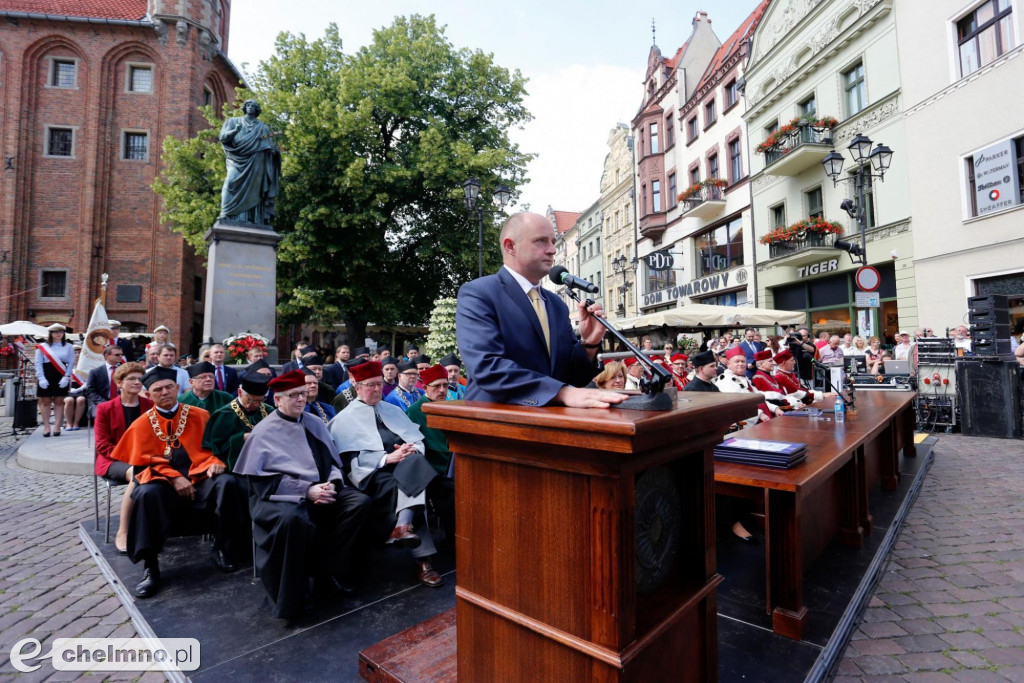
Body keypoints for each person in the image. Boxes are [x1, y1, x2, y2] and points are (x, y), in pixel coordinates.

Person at [234, 371, 371, 621]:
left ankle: (328, 573)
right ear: (277, 400)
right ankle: (293, 597)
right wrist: (305, 491)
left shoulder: (314, 422)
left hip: (320, 489)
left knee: (358, 503)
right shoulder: (263, 432)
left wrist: (332, 483)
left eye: (302, 394)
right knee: (293, 520)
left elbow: (330, 460)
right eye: (293, 395)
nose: (300, 399)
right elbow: (262, 484)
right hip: (277, 498)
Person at [456, 212, 624, 409]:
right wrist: (562, 392)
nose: (552, 250)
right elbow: (487, 367)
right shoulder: (479, 293)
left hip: (550, 426)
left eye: (553, 241)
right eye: (541, 241)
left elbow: (572, 376)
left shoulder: (556, 304)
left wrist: (589, 344)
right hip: (497, 425)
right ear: (511, 246)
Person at [110, 366, 249, 598]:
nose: (164, 392)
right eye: (157, 390)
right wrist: (174, 478)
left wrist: (216, 462)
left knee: (228, 483)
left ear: (177, 388)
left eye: (168, 387)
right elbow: (142, 465)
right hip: (163, 483)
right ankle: (151, 567)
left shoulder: (200, 415)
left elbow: (215, 447)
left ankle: (223, 547)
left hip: (200, 476)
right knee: (146, 494)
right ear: (148, 394)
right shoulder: (141, 425)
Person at [328, 362, 450, 588]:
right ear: (357, 386)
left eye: (379, 384)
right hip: (373, 476)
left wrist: (411, 449)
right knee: (413, 484)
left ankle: (403, 528)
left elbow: (416, 440)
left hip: (406, 466)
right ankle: (422, 559)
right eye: (370, 385)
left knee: (415, 464)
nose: (376, 389)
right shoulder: (343, 420)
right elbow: (348, 463)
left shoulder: (393, 411)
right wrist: (386, 459)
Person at [95, 362, 152, 553]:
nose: (137, 382)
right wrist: (130, 456)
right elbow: (102, 445)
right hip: (112, 460)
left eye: (140, 379)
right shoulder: (105, 408)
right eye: (132, 379)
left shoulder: (150, 406)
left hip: (143, 458)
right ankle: (124, 531)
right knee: (139, 473)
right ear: (119, 383)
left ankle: (152, 526)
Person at [219, 99, 281, 225]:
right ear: (244, 107)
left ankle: (253, 219)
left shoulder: (262, 127)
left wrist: (274, 152)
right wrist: (235, 131)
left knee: (255, 190)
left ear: (257, 109)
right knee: (231, 182)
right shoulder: (233, 121)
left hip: (257, 161)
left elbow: (267, 146)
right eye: (248, 105)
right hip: (236, 159)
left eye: (253, 105)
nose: (250, 107)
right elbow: (222, 138)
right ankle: (226, 213)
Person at [203, 373, 273, 471]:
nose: (256, 405)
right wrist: (241, 438)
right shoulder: (223, 414)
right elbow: (215, 447)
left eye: (260, 400)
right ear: (240, 392)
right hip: (234, 468)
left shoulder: (269, 411)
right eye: (251, 400)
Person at [405, 365, 456, 478]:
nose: (442, 390)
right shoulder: (414, 412)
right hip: (432, 471)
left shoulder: (451, 408)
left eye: (445, 385)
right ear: (425, 387)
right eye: (437, 386)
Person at [34, 324, 76, 437]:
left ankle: (57, 426)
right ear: (50, 334)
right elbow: (38, 363)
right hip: (46, 374)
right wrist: (41, 377)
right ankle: (47, 426)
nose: (59, 334)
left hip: (60, 374)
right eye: (56, 332)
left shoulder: (68, 346)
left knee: (59, 401)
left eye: (61, 331)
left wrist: (67, 377)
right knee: (45, 401)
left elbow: (71, 362)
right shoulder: (42, 346)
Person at [84, 345, 125, 418]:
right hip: (101, 402)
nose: (120, 356)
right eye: (117, 355)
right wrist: (104, 403)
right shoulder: (95, 372)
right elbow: (90, 391)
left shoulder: (124, 371)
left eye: (121, 354)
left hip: (122, 401)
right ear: (107, 356)